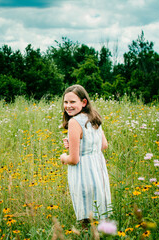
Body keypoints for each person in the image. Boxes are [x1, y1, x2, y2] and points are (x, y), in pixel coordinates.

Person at [60, 84, 111, 228]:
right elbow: (103, 145)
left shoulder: (74, 122)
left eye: (72, 102)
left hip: (83, 173)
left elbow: (74, 159)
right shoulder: (93, 117)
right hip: (97, 170)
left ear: (83, 102)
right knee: (98, 212)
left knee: (86, 217)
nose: (68, 106)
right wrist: (76, 145)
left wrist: (63, 157)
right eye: (66, 102)